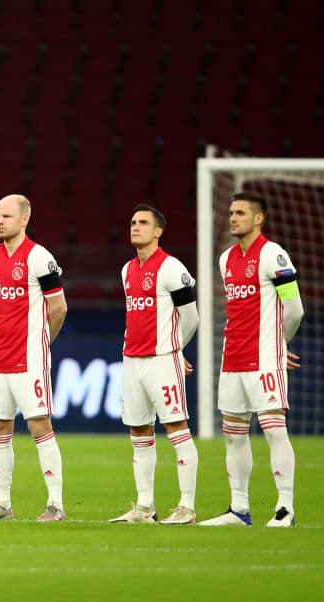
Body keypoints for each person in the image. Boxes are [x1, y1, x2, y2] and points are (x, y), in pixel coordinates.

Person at [200, 192, 304, 528]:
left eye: (241, 213)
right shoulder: (226, 258)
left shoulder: (272, 254)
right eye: (231, 212)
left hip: (263, 360)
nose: (233, 218)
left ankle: (284, 508)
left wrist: (278, 343)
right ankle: (239, 510)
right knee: (234, 434)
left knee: (273, 430)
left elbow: (295, 308)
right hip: (232, 358)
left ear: (258, 218)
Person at [0, 194, 68, 522]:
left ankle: (55, 504)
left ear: (24, 219)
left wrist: (41, 342)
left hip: (29, 359)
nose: (0, 221)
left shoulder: (40, 257)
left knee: (39, 425)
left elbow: (58, 308)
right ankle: (2, 504)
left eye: (7, 216)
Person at [109, 204, 199, 525]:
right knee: (139, 431)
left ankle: (186, 507)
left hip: (162, 360)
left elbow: (191, 317)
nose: (135, 227)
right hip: (132, 360)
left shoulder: (171, 267)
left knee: (176, 427)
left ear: (158, 231)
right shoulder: (127, 270)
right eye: (133, 222)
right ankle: (145, 508)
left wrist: (175, 349)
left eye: (143, 223)